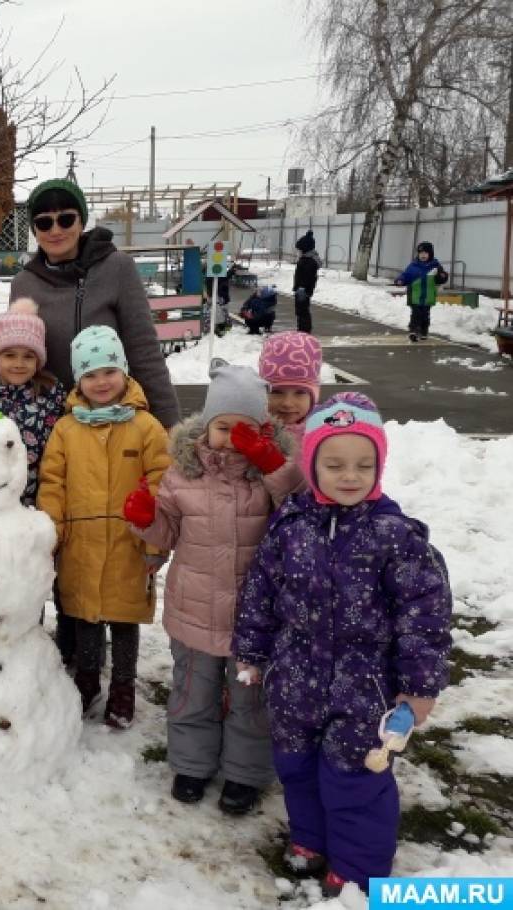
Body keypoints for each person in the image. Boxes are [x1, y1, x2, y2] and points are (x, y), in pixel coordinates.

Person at [233, 392, 451, 896]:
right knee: (297, 766)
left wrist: (419, 687)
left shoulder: (396, 536)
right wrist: (252, 651)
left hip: (365, 686)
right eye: (334, 464)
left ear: (379, 465)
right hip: (295, 677)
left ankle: (356, 869)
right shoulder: (291, 526)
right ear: (312, 465)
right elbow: (262, 592)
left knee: (354, 777)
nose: (350, 475)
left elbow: (424, 616)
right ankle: (309, 839)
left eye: (363, 465)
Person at [124, 362, 300, 815]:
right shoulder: (183, 474)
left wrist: (272, 467)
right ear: (205, 428)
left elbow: (301, 515)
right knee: (193, 692)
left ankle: (245, 773)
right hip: (194, 611)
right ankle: (191, 763)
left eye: (245, 431)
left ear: (263, 432)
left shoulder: (272, 475)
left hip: (254, 619)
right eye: (223, 428)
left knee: (249, 700)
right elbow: (168, 533)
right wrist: (146, 519)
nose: (232, 440)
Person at [37, 325, 171, 728]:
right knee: (87, 618)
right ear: (79, 379)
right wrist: (52, 534)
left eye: (109, 371)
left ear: (124, 372)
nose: (101, 382)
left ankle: (123, 687)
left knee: (124, 618)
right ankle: (87, 679)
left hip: (129, 544)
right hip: (80, 544)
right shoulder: (66, 429)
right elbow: (53, 484)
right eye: (90, 374)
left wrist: (154, 542)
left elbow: (161, 482)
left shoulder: (146, 427)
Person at [10, 177, 180, 429]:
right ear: (34, 230)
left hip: (116, 420)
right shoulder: (24, 284)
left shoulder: (117, 268)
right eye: (44, 223)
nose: (55, 230)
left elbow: (143, 348)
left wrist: (167, 420)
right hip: (51, 425)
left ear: (81, 222)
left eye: (66, 219)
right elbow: (15, 356)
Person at [0, 298, 66, 506]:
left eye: (28, 356)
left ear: (38, 361)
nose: (19, 364)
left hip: (39, 497)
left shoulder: (50, 392)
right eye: (10, 355)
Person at [259, 331, 323, 447]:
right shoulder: (252, 430)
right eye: (277, 392)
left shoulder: (324, 434)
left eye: (300, 392)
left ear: (313, 397)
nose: (287, 403)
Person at [393, 241, 448, 342]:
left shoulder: (435, 266)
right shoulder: (413, 266)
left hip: (428, 295)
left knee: (425, 314)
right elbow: (406, 275)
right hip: (415, 295)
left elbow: (440, 279)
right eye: (421, 253)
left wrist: (442, 276)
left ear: (430, 254)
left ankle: (424, 330)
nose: (423, 255)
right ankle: (414, 331)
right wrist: (400, 280)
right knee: (416, 313)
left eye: (425, 253)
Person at [292, 230, 319, 333]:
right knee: (301, 311)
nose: (298, 252)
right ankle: (302, 330)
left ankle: (304, 331)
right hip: (302, 289)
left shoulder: (308, 261)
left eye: (299, 250)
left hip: (303, 290)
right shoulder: (306, 259)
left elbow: (307, 277)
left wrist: (302, 287)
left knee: (302, 311)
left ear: (305, 249)